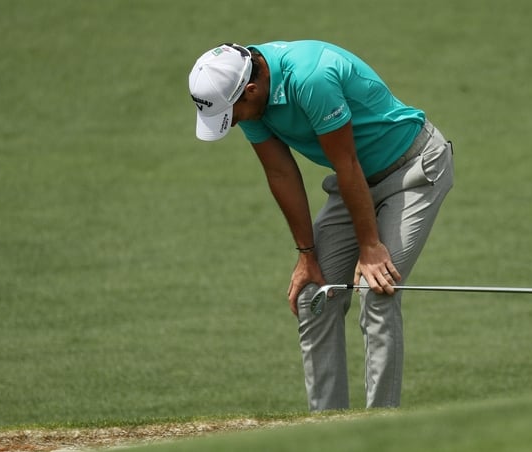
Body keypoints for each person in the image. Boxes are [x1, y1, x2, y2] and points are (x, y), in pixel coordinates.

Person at [188, 40, 454, 411]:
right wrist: (306, 255)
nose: (232, 123)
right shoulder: (250, 97)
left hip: (414, 171)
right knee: (316, 294)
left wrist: (371, 247)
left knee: (376, 290)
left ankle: (382, 430)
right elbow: (280, 172)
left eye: (232, 115)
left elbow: (346, 163)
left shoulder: (311, 77)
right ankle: (327, 432)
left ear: (250, 91)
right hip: (357, 183)